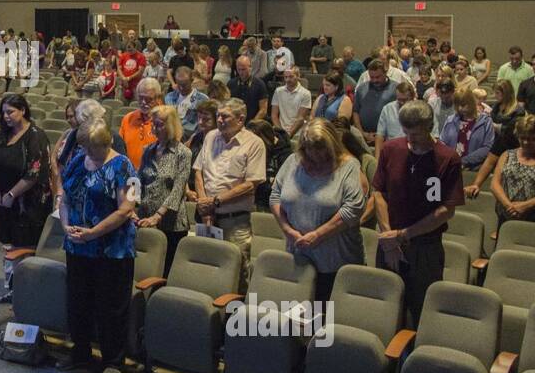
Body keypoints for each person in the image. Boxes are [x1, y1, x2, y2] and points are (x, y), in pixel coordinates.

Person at [58, 120, 137, 373]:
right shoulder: (78, 160)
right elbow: (66, 197)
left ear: (108, 143)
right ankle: (80, 353)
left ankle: (113, 361)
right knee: (77, 302)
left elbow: (126, 209)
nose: (90, 154)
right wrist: (66, 225)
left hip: (111, 249)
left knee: (110, 307)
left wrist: (93, 233)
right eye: (87, 148)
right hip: (78, 246)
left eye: (95, 149)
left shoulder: (124, 166)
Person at [372, 100, 464, 326]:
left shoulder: (447, 158)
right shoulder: (391, 149)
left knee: (421, 311)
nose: (411, 140)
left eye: (416, 134)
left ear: (429, 127)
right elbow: (379, 194)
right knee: (386, 308)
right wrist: (390, 237)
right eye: (406, 133)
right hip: (389, 243)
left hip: (424, 248)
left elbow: (445, 210)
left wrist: (404, 235)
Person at [269, 119, 367, 302]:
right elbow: (275, 196)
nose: (315, 154)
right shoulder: (293, 162)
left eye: (320, 148)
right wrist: (288, 230)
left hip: (335, 260)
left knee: (328, 322)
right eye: (309, 148)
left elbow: (354, 208)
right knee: (300, 318)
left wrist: (318, 235)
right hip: (298, 255)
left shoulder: (348, 166)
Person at [193, 98, 267, 287]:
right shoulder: (210, 137)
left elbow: (251, 184)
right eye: (218, 115)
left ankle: (234, 312)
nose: (219, 120)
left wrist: (215, 201)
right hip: (207, 217)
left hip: (235, 221)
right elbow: (199, 171)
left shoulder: (254, 144)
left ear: (240, 119)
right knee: (207, 268)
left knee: (237, 271)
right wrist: (205, 205)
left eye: (225, 116)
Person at [0, 94, 53, 303]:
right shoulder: (2, 135)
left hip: (29, 203)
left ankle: (28, 292)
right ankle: (13, 288)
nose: (6, 116)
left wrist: (12, 194)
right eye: (3, 112)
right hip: (4, 201)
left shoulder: (36, 136)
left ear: (23, 110)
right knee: (9, 245)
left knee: (25, 246)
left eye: (10, 112)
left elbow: (34, 173)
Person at [134, 106, 193, 272]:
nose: (154, 128)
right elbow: (138, 181)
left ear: (170, 126)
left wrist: (158, 216)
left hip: (171, 223)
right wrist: (131, 206)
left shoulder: (183, 153)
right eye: (153, 123)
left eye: (159, 124)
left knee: (164, 270)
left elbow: (178, 189)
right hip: (145, 218)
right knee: (144, 268)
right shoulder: (148, 150)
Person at [490, 114, 535, 229]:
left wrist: (525, 206)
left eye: (531, 139)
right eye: (522, 138)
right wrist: (509, 206)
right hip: (507, 216)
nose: (525, 142)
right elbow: (495, 184)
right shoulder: (507, 155)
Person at [439, 88, 495, 170]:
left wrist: (464, 161)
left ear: (471, 102)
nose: (460, 109)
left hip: (475, 169)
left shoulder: (485, 121)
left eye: (463, 105)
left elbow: (488, 147)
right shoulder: (450, 120)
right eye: (457, 105)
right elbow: (442, 142)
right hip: (451, 167)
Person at [352, 60, 397, 146]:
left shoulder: (396, 89)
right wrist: (363, 133)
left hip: (388, 139)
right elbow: (356, 112)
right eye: (372, 77)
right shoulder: (362, 89)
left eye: (378, 77)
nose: (375, 80)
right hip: (364, 138)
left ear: (385, 73)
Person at [119, 78, 161, 168]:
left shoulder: (164, 121)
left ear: (158, 98)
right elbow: (120, 150)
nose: (143, 102)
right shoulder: (128, 118)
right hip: (129, 175)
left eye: (148, 99)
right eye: (141, 98)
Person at [271, 66, 312, 139]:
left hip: (297, 132)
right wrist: (281, 132)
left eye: (291, 77)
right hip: (280, 130)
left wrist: (289, 134)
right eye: (285, 77)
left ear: (298, 76)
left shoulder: (306, 93)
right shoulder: (278, 91)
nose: (287, 80)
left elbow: (301, 118)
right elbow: (274, 115)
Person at [374, 79, 416, 144]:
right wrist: (377, 154)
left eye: (405, 100)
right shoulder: (387, 109)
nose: (402, 103)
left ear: (412, 97)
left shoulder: (420, 111)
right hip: (392, 148)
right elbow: (380, 135)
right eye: (399, 99)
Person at [230, 55, 269, 124]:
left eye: (244, 69)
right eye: (239, 69)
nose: (241, 72)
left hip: (253, 122)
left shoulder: (260, 84)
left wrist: (252, 123)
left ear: (250, 68)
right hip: (235, 122)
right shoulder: (231, 83)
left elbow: (263, 110)